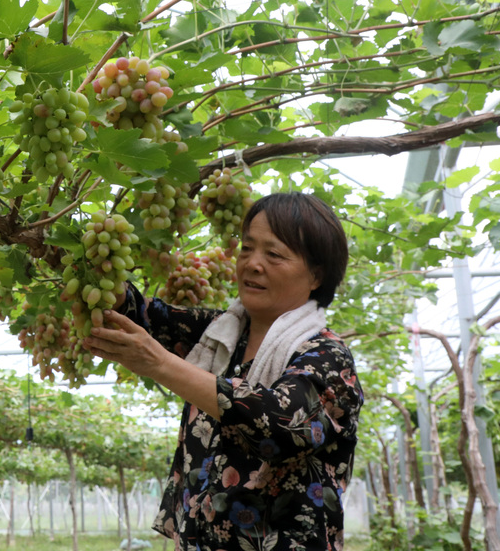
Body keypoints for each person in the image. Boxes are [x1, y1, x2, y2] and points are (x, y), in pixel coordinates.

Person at [84, 192, 364, 551]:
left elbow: (281, 424)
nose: (252, 263)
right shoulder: (221, 334)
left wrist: (160, 364)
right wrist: (95, 266)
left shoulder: (328, 356)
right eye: (247, 248)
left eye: (274, 254)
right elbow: (150, 317)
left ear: (316, 275)